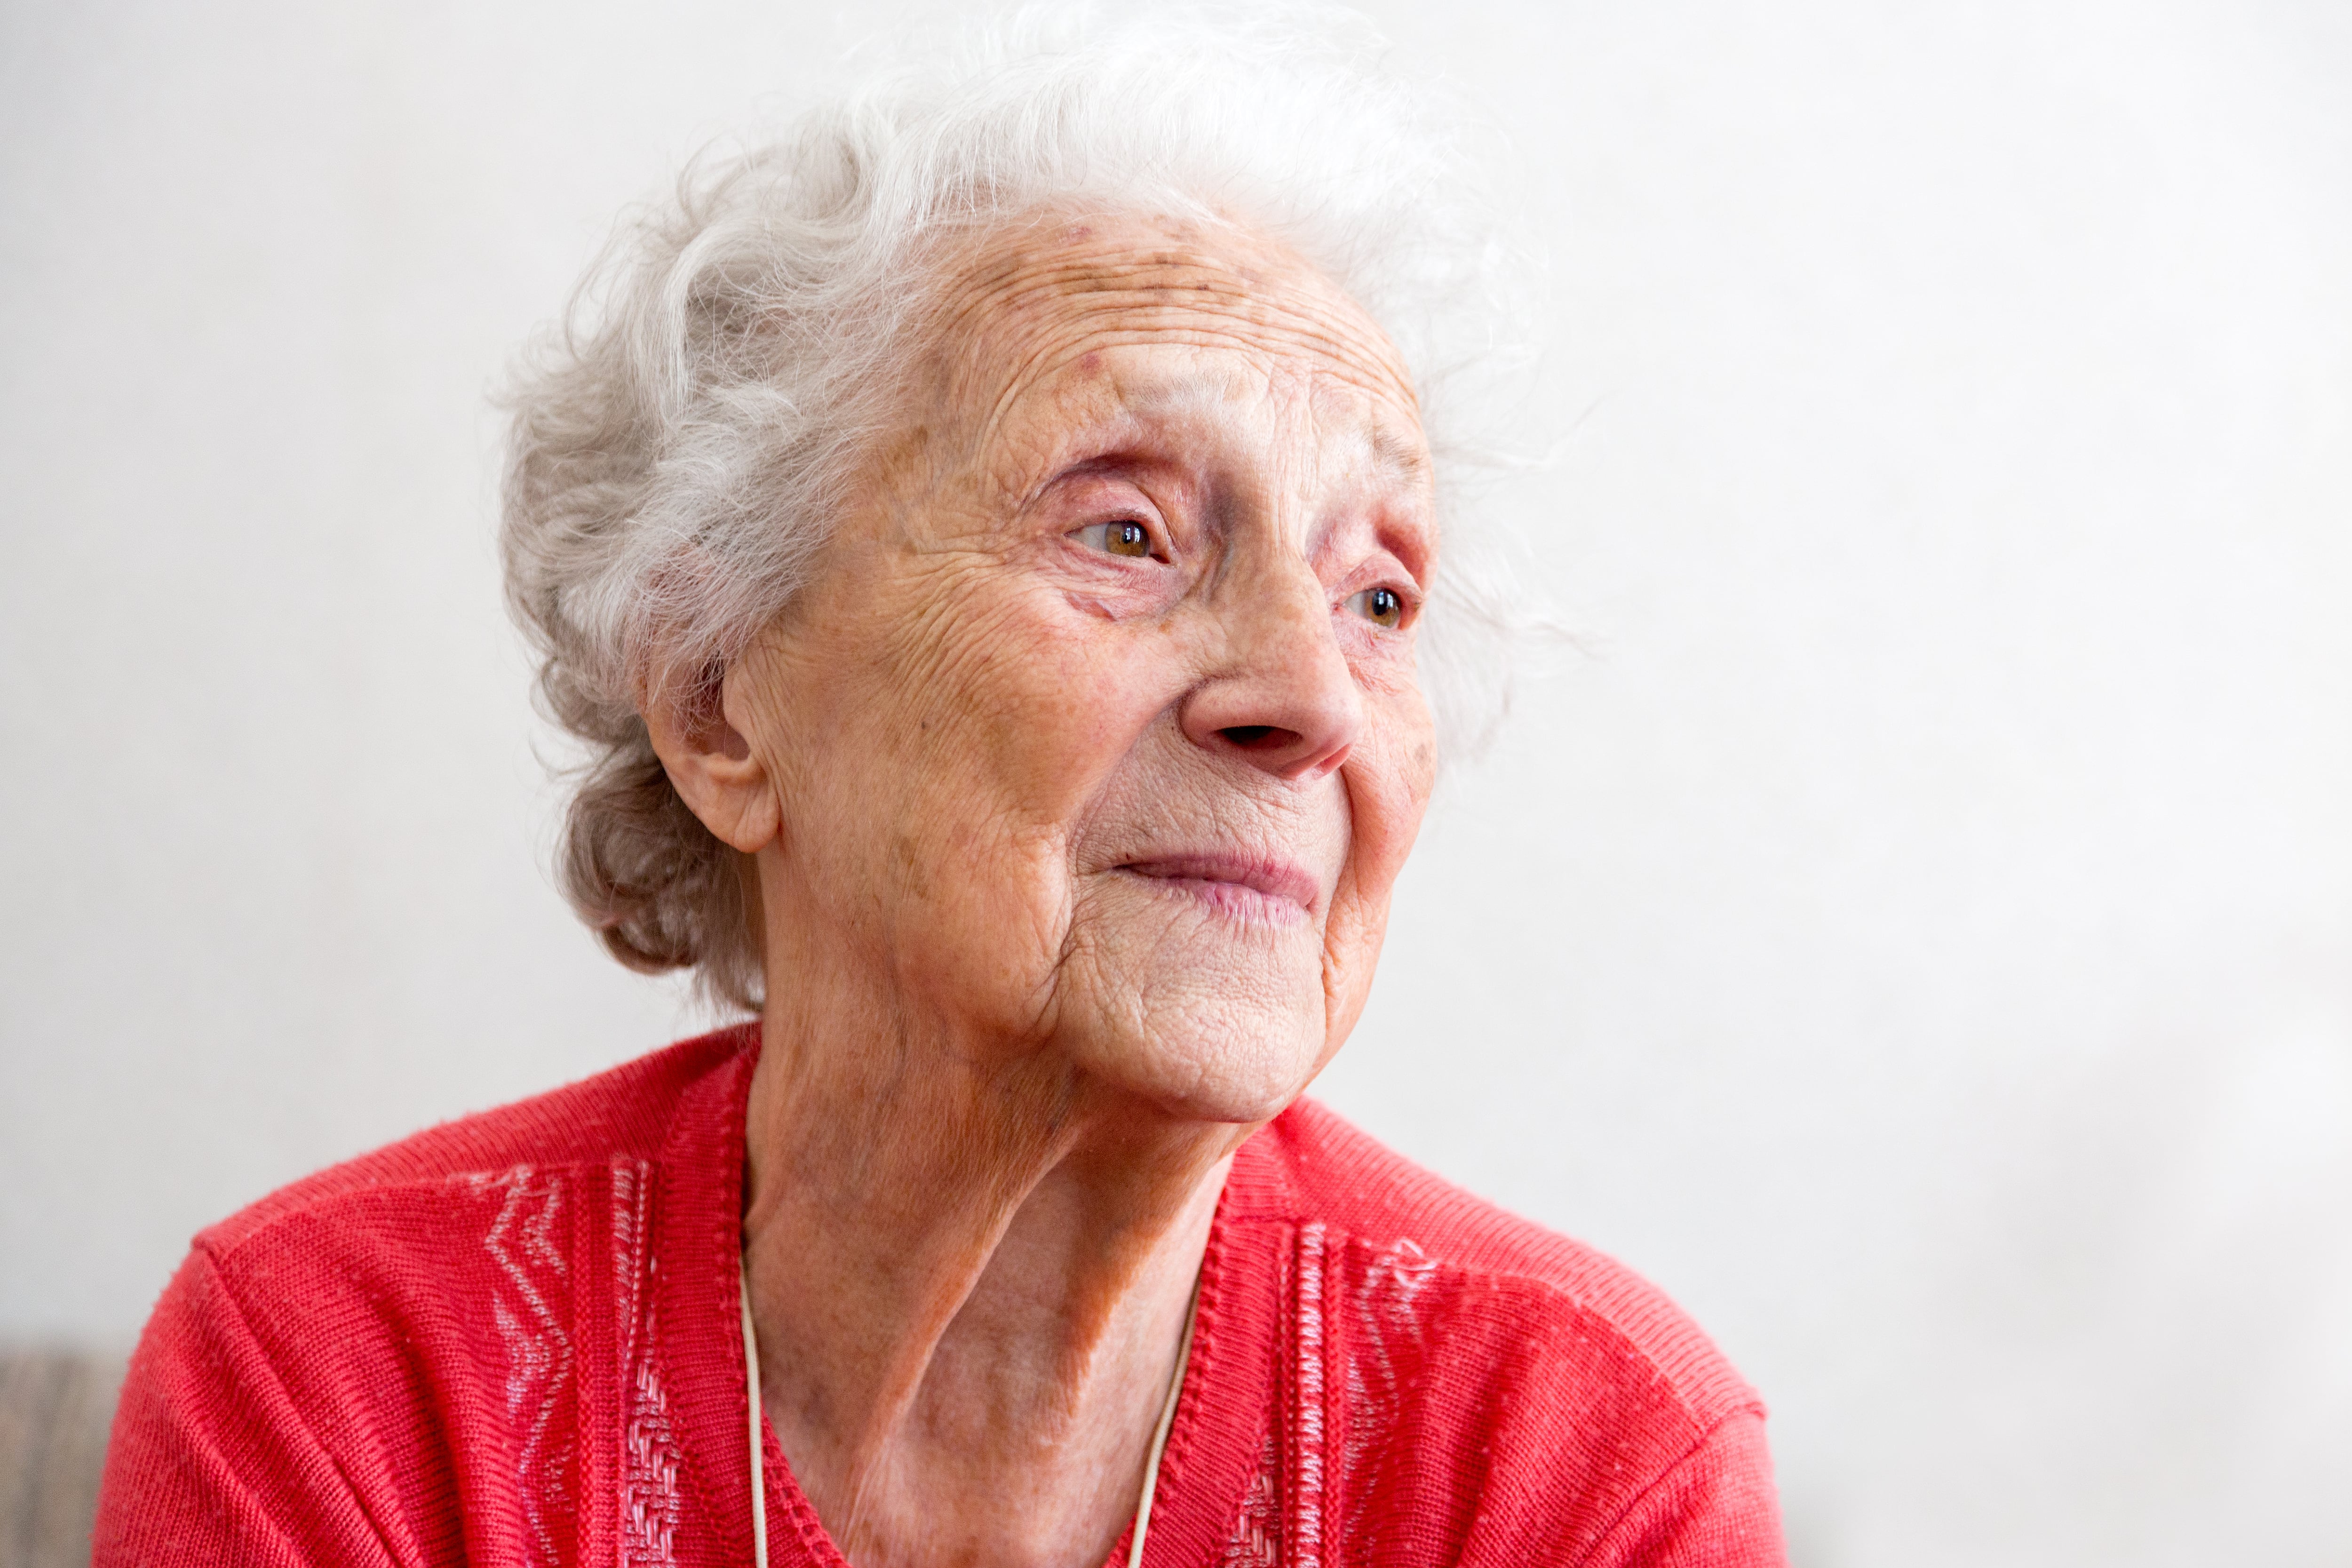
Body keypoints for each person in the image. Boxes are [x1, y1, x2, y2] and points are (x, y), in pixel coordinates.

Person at [94, 11, 1787, 1566]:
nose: (1310, 699)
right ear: (720, 704)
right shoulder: (350, 1383)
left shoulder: (1578, 1459)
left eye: (1380, 598)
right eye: (1126, 531)